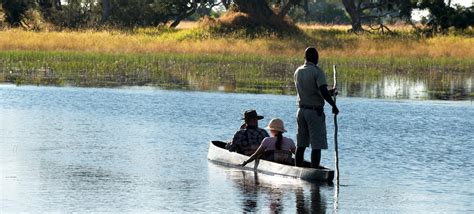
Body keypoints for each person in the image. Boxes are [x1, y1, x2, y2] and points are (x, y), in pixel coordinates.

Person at [294, 47, 339, 168]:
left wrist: (330, 92)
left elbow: (314, 91)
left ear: (305, 58)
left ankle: (297, 170)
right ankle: (314, 172)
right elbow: (322, 91)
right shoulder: (317, 72)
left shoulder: (298, 71)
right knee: (316, 145)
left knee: (301, 144)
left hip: (301, 111)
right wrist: (333, 105)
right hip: (314, 112)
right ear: (315, 58)